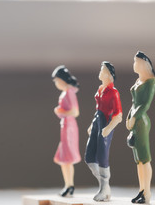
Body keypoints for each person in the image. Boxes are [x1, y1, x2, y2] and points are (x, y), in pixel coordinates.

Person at [85, 61, 122, 202]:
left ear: (108, 75)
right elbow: (97, 111)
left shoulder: (114, 92)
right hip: (97, 122)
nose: (100, 72)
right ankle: (103, 184)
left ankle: (104, 187)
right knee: (89, 157)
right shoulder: (100, 89)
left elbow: (118, 115)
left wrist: (108, 128)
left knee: (102, 156)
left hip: (106, 123)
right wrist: (92, 125)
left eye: (103, 70)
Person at [126, 51, 155, 204]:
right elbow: (133, 104)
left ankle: (147, 192)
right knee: (138, 160)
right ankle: (141, 190)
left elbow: (144, 105)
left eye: (136, 62)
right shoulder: (138, 81)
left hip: (141, 122)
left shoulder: (150, 82)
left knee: (145, 158)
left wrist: (134, 117)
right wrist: (128, 117)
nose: (134, 65)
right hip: (134, 121)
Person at [52, 65, 81, 197]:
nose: (56, 83)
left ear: (62, 80)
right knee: (64, 159)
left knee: (67, 158)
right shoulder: (66, 92)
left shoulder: (69, 92)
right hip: (65, 126)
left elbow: (75, 112)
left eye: (57, 80)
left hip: (69, 127)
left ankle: (70, 185)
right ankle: (68, 184)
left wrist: (60, 111)